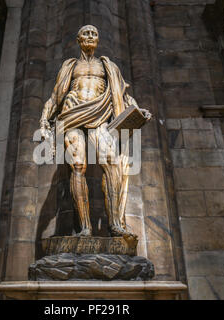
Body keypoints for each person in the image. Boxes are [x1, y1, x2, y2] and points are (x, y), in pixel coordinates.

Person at [40, 25, 151, 238]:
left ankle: (116, 224)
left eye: (94, 34)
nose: (90, 36)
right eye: (86, 33)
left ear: (98, 40)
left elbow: (121, 93)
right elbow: (55, 97)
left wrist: (137, 110)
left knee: (110, 162)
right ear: (78, 39)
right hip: (72, 114)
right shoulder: (69, 66)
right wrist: (44, 122)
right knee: (78, 166)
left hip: (101, 114)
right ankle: (84, 228)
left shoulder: (107, 66)